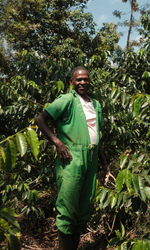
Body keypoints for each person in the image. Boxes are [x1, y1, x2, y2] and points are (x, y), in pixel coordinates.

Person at [35, 66, 112, 250]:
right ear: (71, 82)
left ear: (89, 81)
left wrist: (105, 164)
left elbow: (97, 137)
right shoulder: (67, 100)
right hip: (72, 159)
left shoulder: (96, 104)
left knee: (83, 208)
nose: (82, 82)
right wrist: (58, 143)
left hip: (91, 160)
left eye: (85, 79)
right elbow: (40, 119)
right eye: (78, 80)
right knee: (68, 207)